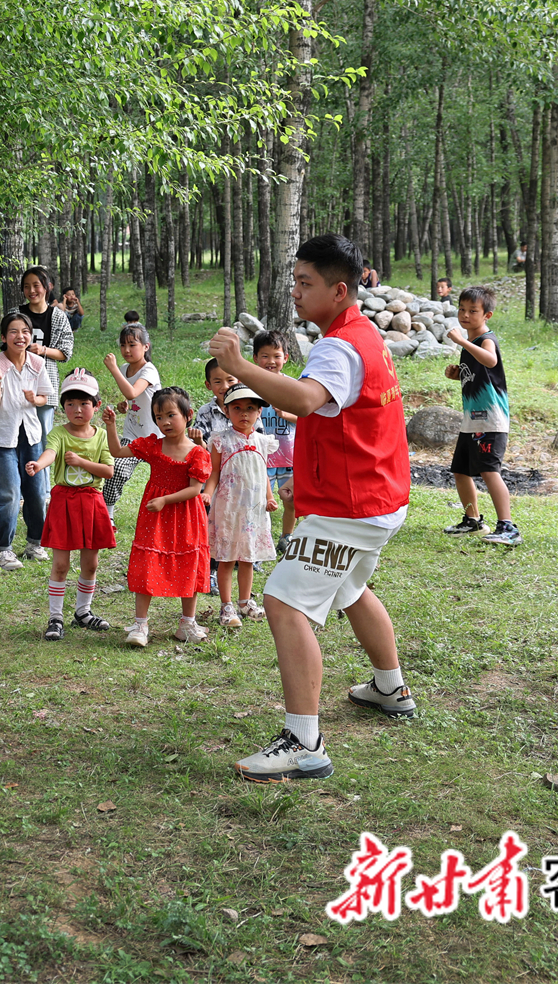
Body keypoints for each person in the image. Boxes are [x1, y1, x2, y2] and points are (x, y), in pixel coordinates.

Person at [207, 234, 417, 784]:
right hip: (377, 498)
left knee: (281, 601)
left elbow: (302, 401)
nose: (295, 293)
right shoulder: (363, 333)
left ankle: (304, 742)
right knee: (348, 588)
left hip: (350, 507)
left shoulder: (338, 347)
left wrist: (236, 367)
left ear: (339, 290)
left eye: (306, 284)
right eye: (294, 281)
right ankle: (389, 688)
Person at [104, 386, 210, 646]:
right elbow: (117, 452)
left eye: (171, 415)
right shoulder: (152, 445)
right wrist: (111, 425)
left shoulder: (197, 452)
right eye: (159, 417)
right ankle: (140, 625)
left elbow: (195, 489)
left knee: (189, 563)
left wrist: (165, 500)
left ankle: (187, 623)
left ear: (188, 415)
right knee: (147, 561)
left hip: (186, 514)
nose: (164, 422)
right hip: (155, 517)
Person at [28, 369, 115, 641]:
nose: (77, 410)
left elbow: (108, 471)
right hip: (64, 502)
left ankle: (83, 612)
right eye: (70, 404)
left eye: (84, 404)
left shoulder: (101, 435)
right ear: (63, 405)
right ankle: (55, 617)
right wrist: (38, 464)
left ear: (96, 405)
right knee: (61, 564)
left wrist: (83, 463)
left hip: (92, 502)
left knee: (91, 563)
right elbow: (50, 453)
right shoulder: (59, 433)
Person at [442, 287, 519, 545]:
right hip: (472, 420)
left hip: (491, 419)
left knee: (489, 470)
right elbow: (478, 374)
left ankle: (508, 527)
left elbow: (490, 361)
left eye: (473, 311)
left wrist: (462, 342)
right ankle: (472, 521)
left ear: (487, 315)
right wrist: (457, 374)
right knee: (460, 470)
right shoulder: (471, 344)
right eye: (462, 309)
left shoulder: (486, 339)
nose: (465, 315)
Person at [203, 386, 280, 628]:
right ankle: (227, 606)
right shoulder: (220, 441)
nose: (243, 413)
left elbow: (264, 473)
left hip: (254, 511)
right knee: (226, 559)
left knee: (247, 558)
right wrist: (207, 492)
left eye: (250, 408)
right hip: (228, 509)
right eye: (237, 408)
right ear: (226, 411)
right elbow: (214, 472)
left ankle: (245, 602)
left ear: (259, 412)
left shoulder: (262, 441)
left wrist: (269, 497)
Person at [0, 310, 53, 569]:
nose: (20, 336)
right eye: (13, 331)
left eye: (25, 331)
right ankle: (1, 552)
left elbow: (45, 396)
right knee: (8, 494)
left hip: (32, 436)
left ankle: (35, 543)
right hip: (2, 438)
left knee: (35, 493)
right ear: (4, 337)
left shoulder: (37, 363)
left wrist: (35, 400)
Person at [100, 322, 160, 509]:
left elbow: (132, 392)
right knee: (116, 469)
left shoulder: (149, 370)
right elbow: (133, 398)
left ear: (145, 346)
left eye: (132, 345)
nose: (126, 350)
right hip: (132, 434)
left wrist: (113, 369)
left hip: (157, 436)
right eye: (123, 345)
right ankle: (108, 514)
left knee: (167, 476)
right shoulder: (126, 368)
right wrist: (125, 406)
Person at [252, 331, 298, 546]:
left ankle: (287, 537)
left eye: (276, 356)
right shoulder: (250, 388)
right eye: (265, 356)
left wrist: (286, 414)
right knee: (261, 500)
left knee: (290, 499)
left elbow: (306, 419)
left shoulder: (294, 387)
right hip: (262, 458)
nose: (271, 361)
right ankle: (262, 539)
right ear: (255, 358)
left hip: (289, 456)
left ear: (286, 358)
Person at [19, 265, 75, 434]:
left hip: (45, 382)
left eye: (36, 285)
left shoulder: (58, 316)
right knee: (17, 432)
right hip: (18, 381)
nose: (31, 290)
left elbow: (65, 352)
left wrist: (43, 350)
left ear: (47, 286)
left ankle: (43, 462)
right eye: (27, 286)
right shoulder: (17, 314)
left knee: (43, 433)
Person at [191, 357, 237, 444]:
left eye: (230, 380)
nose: (225, 387)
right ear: (208, 385)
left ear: (239, 381)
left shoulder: (249, 408)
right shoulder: (205, 412)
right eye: (218, 382)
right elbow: (200, 448)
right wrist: (199, 441)